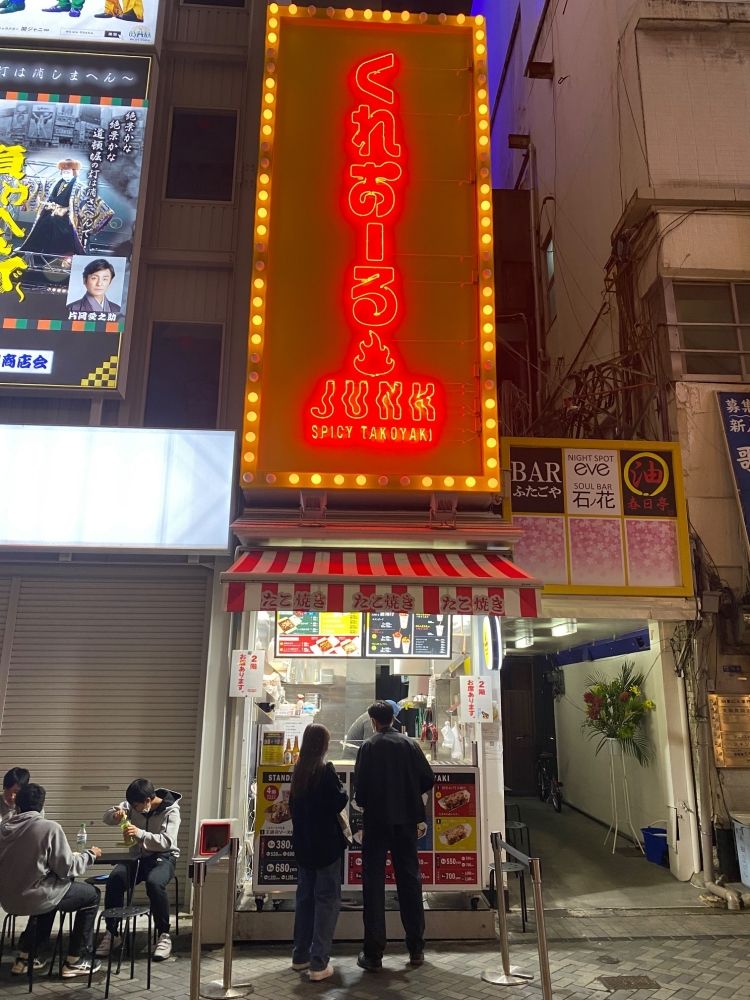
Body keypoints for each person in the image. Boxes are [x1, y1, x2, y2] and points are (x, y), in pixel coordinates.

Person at [354, 701, 435, 972]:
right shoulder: (410, 744)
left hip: (376, 822)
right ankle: (416, 948)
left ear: (373, 722)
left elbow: (360, 790)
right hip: (406, 822)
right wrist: (409, 793)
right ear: (393, 719)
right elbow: (428, 778)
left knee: (373, 884)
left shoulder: (369, 747)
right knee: (410, 880)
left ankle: (374, 953)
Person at [0, 783, 102, 978]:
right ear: (41, 806)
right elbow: (67, 868)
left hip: (8, 900)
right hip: (34, 898)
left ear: (18, 806)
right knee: (91, 895)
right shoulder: (49, 828)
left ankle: (28, 956)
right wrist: (90, 855)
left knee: (50, 893)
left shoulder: (3, 828)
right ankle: (76, 960)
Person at [97, 778, 181, 962]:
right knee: (115, 879)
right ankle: (113, 933)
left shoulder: (171, 810)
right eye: (131, 806)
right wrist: (115, 814)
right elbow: (106, 817)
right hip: (137, 857)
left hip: (164, 857)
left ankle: (163, 935)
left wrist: (139, 833)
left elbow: (167, 841)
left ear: (148, 800)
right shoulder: (132, 805)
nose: (133, 809)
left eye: (136, 806)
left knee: (154, 883)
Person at [289, 724, 348, 982]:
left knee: (305, 899)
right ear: (323, 745)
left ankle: (300, 956)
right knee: (326, 902)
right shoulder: (325, 771)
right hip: (326, 847)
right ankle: (318, 963)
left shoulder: (298, 771)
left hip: (304, 846)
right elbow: (339, 801)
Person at [16, 159, 113, 257]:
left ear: (74, 172)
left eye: (68, 172)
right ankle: (37, 255)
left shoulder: (81, 188)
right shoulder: (54, 183)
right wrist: (28, 182)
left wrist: (66, 210)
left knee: (63, 241)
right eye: (63, 172)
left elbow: (90, 200)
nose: (65, 174)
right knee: (39, 231)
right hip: (48, 216)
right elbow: (40, 185)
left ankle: (60, 258)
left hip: (66, 221)